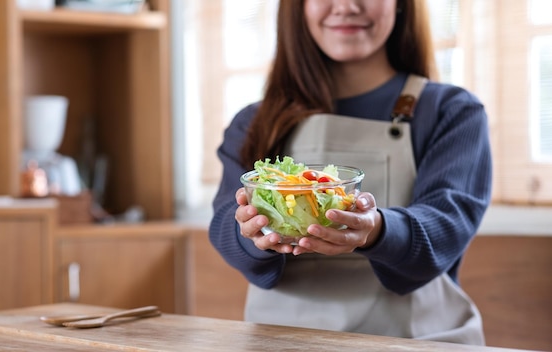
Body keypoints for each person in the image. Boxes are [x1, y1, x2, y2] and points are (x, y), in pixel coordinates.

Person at [209, 0, 492, 346]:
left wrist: (376, 231)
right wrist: (251, 230)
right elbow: (225, 221)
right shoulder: (255, 122)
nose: (346, 6)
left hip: (417, 341)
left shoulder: (451, 112)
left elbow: (448, 224)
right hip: (282, 341)